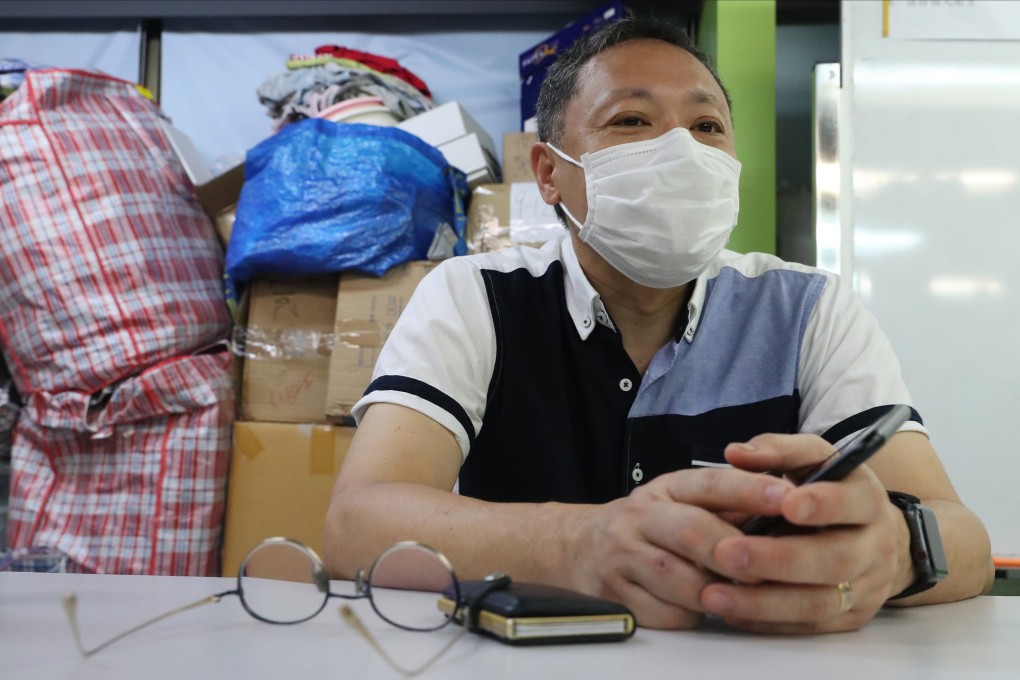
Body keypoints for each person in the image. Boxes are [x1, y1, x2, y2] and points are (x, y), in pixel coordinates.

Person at [324, 17, 993, 633]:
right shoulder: (475, 298)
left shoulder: (809, 309)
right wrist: (581, 544)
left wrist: (897, 553)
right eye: (632, 120)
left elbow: (964, 540)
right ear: (549, 173)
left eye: (707, 128)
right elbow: (359, 525)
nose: (679, 150)